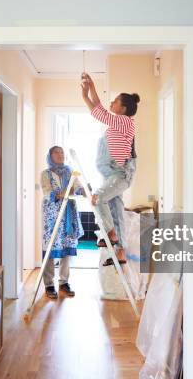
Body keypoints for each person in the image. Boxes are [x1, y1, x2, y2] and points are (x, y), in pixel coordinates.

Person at [80, 72, 138, 266]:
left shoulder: (125, 121)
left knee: (98, 198)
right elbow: (101, 108)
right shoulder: (119, 122)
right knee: (116, 211)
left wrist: (85, 95)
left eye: (114, 101)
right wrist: (91, 88)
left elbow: (99, 112)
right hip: (113, 173)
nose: (111, 103)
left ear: (123, 108)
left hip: (119, 173)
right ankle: (120, 250)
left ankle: (110, 232)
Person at [40, 146, 85, 298]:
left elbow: (78, 187)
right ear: (50, 155)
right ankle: (49, 284)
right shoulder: (45, 174)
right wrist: (63, 193)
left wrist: (86, 191)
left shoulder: (70, 172)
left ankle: (64, 282)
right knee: (50, 249)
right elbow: (48, 193)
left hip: (68, 214)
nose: (61, 155)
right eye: (57, 152)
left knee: (67, 245)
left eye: (62, 153)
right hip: (52, 217)